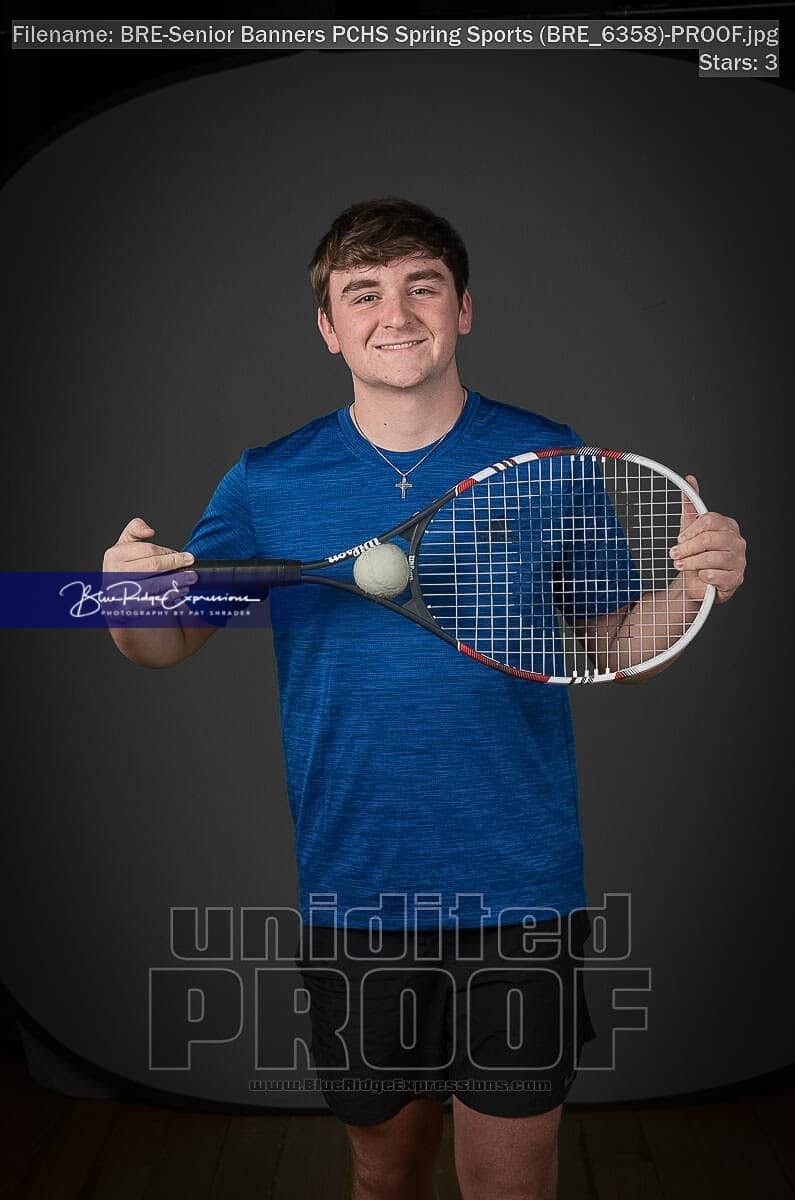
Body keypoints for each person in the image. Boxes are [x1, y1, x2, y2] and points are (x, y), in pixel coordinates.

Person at [103, 198, 747, 1200]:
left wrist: (687, 592)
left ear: (463, 309)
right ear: (328, 327)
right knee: (386, 1174)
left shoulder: (548, 457)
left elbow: (619, 646)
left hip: (520, 891)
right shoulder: (269, 482)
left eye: (422, 287)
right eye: (362, 293)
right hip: (358, 889)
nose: (395, 314)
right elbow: (165, 640)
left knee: (509, 1183)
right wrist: (124, 598)